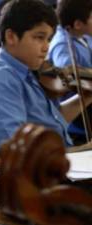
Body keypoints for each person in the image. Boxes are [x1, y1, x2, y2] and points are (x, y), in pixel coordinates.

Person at [0, 0, 92, 154]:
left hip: (58, 161)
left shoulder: (26, 71)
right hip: (35, 172)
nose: (46, 47)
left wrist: (86, 97)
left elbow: (53, 120)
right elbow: (15, 151)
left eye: (48, 39)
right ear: (11, 37)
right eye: (39, 37)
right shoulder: (0, 82)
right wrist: (78, 152)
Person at [48, 0, 92, 143]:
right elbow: (69, 75)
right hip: (80, 112)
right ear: (78, 24)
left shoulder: (84, 37)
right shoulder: (62, 45)